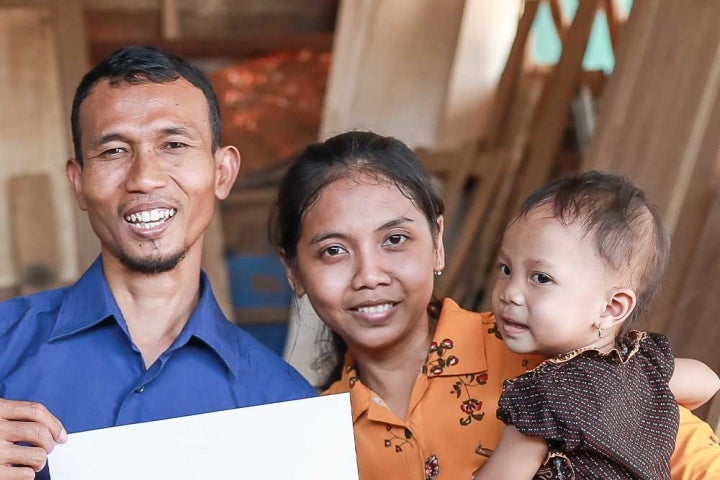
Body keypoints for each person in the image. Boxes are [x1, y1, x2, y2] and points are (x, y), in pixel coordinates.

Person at [269, 130, 720, 480]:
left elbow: (694, 460)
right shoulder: (316, 438)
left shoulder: (551, 358)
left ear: (437, 244)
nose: (369, 276)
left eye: (395, 239)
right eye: (333, 251)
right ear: (294, 272)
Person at [0, 45, 316, 480]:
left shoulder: (285, 406)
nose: (145, 177)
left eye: (174, 144)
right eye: (114, 151)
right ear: (78, 183)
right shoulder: (4, 344)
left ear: (222, 172)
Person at [473, 171, 720, 479]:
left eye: (541, 278)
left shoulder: (547, 396)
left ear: (611, 308)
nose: (510, 293)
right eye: (505, 269)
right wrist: (637, 385)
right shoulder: (642, 366)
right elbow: (709, 381)